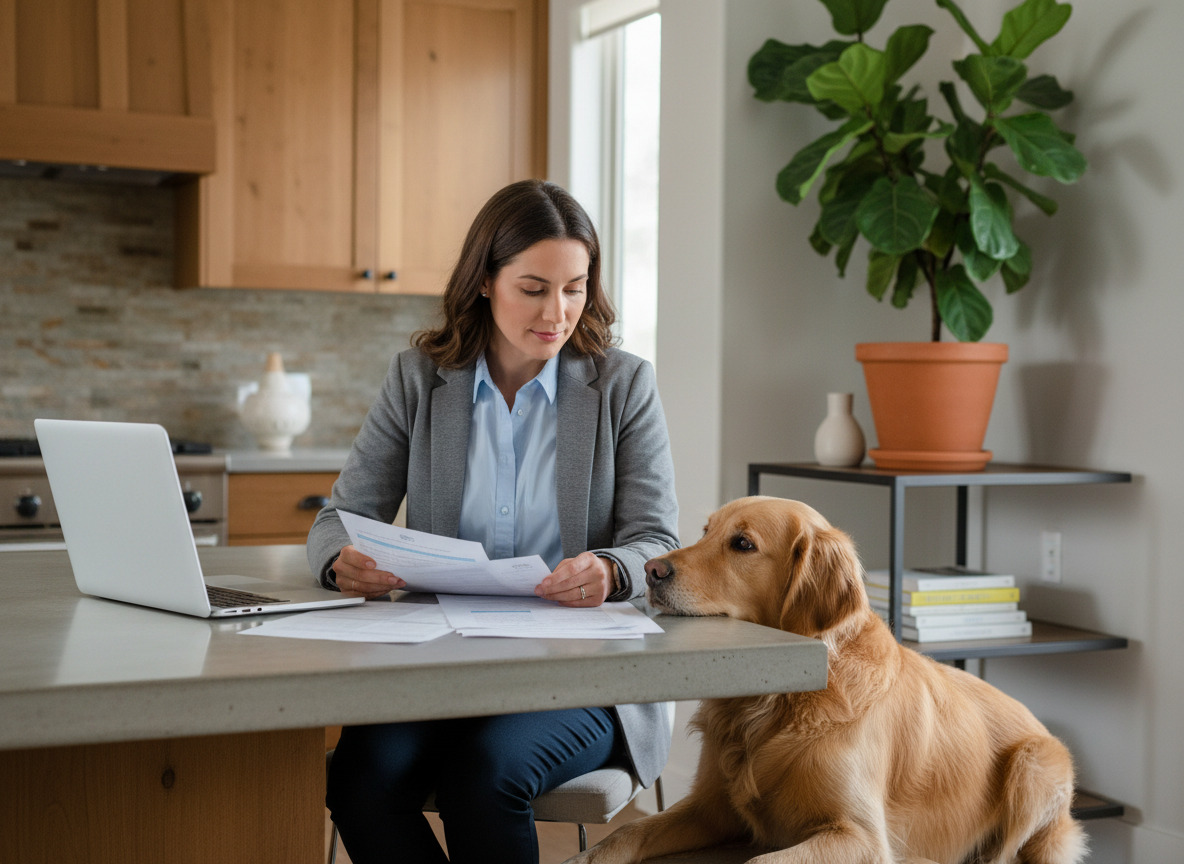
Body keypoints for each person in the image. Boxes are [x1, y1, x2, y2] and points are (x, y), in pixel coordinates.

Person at [307, 178, 680, 864]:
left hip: (582, 669)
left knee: (485, 779)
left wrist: (608, 568)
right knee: (358, 783)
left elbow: (656, 539)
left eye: (575, 287)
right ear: (484, 280)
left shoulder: (622, 385)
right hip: (440, 661)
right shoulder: (419, 378)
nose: (558, 310)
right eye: (533, 287)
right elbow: (342, 515)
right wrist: (340, 559)